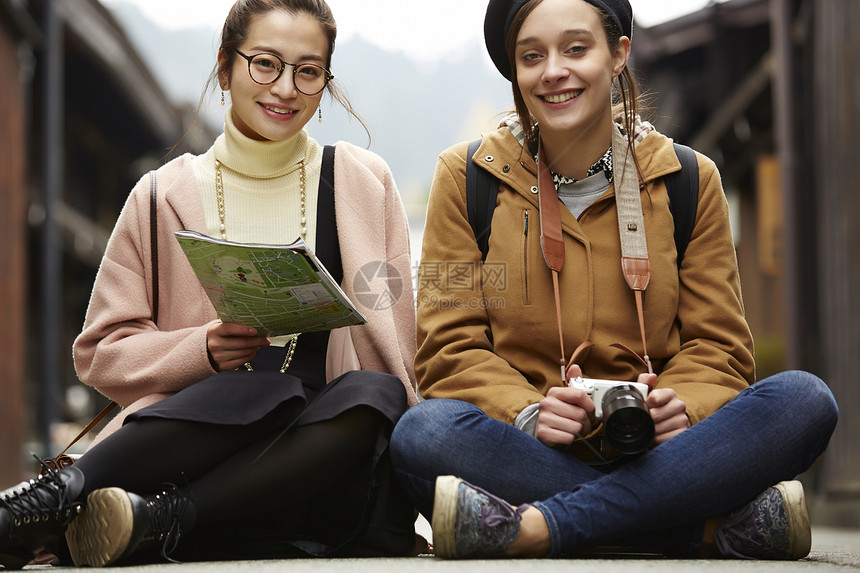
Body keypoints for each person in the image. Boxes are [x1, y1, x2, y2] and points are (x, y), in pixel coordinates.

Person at [390, 0, 838, 561]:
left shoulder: (689, 179)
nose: (554, 70)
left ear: (618, 54)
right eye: (532, 56)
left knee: (805, 400)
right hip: (526, 450)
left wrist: (685, 406)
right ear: (514, 70)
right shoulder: (466, 177)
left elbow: (720, 347)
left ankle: (536, 527)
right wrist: (528, 413)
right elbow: (448, 350)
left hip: (665, 450)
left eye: (576, 48)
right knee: (423, 433)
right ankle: (701, 530)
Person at [0, 0, 420, 568]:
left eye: (309, 70)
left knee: (376, 394)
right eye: (265, 64)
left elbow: (398, 343)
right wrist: (201, 349)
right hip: (186, 448)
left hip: (311, 462)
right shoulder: (161, 194)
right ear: (225, 68)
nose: (286, 88)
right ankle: (56, 500)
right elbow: (101, 353)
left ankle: (154, 521)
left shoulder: (363, 183)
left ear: (325, 80)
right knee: (264, 389)